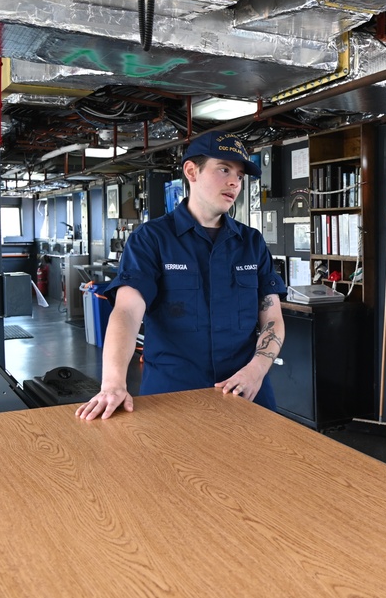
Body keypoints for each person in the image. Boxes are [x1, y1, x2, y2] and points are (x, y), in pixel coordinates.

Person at [76, 131, 287, 420]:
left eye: (239, 174)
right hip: (173, 394)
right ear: (191, 171)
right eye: (224, 169)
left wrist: (257, 370)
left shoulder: (251, 243)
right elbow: (126, 311)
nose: (234, 182)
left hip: (246, 389)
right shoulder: (152, 239)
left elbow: (272, 317)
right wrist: (113, 383)